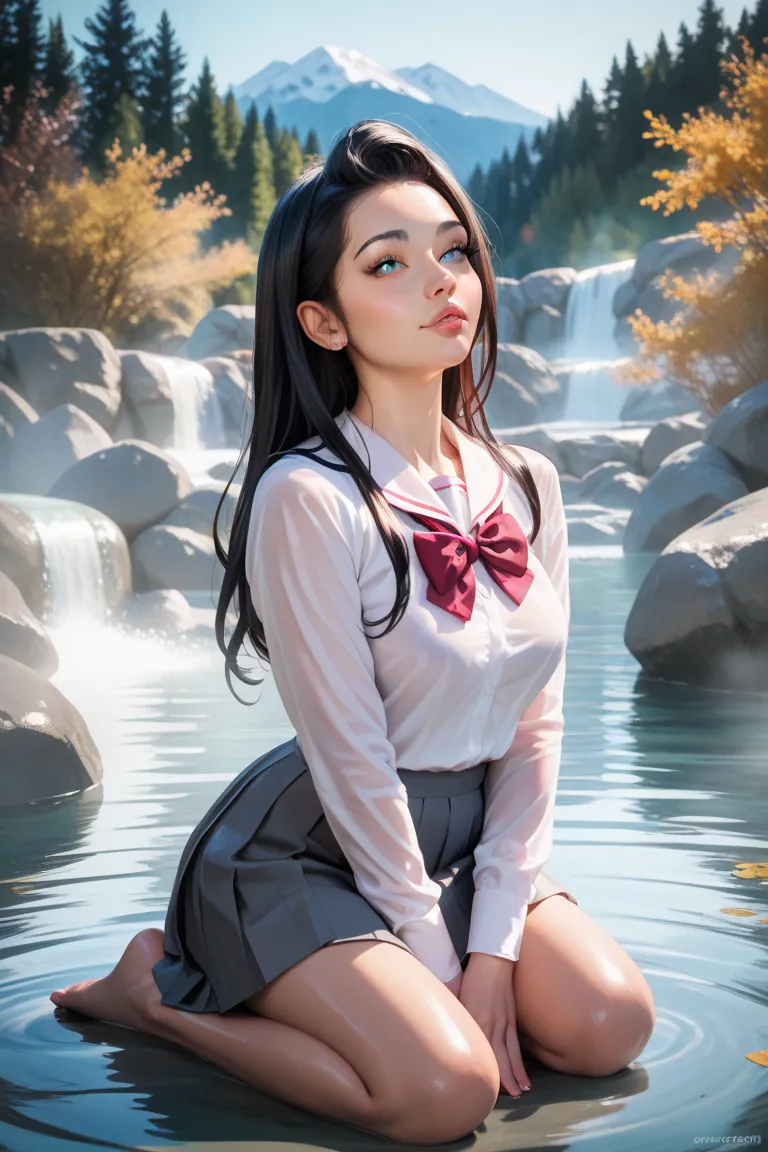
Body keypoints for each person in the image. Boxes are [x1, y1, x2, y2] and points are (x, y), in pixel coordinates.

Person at [49, 119, 655, 1147]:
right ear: (325, 323)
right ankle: (154, 994)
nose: (442, 280)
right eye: (391, 263)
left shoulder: (531, 487)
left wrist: (496, 950)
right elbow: (351, 759)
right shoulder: (307, 497)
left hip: (469, 838)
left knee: (611, 1025)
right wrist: (435, 957)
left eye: (453, 250)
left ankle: (416, 996)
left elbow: (538, 735)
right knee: (442, 1095)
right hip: (311, 847)